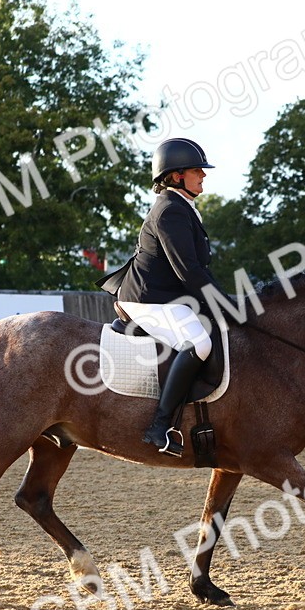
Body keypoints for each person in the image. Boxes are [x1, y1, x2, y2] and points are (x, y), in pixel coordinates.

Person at [96, 138, 232, 457]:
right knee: (199, 343)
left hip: (167, 296)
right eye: (197, 170)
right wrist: (225, 304)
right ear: (176, 176)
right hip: (148, 298)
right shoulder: (170, 210)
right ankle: (160, 426)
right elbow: (189, 271)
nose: (203, 175)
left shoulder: (183, 207)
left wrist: (225, 300)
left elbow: (198, 269)